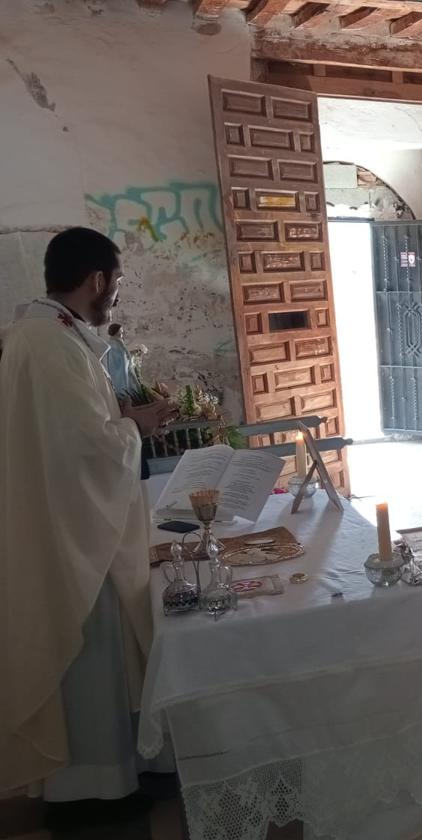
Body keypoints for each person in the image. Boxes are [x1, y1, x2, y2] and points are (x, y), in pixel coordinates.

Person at [0, 228, 177, 824]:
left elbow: (79, 428)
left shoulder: (56, 335)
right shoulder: (49, 343)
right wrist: (137, 429)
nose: (116, 296)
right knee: (89, 657)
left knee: (103, 659)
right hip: (75, 534)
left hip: (71, 521)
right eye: (117, 283)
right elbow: (85, 452)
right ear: (96, 280)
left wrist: (126, 416)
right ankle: (91, 791)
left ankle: (115, 775)